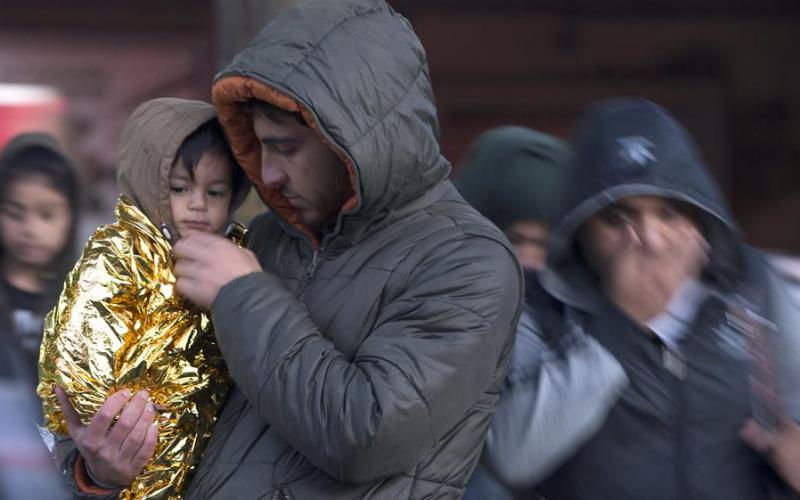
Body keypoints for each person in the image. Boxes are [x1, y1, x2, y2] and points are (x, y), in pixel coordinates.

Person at [62, 1, 522, 498]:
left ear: (353, 140)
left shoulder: (468, 262)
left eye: (286, 147)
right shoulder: (266, 240)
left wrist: (242, 295)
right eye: (259, 148)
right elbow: (181, 406)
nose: (270, 174)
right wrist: (102, 472)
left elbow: (365, 434)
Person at [513, 97, 800, 500]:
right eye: (617, 218)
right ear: (580, 226)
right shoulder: (542, 307)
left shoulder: (750, 285)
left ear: (699, 216)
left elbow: (794, 406)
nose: (649, 239)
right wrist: (619, 326)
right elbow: (514, 455)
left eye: (668, 214)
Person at [39, 98, 250, 499]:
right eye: (179, 188)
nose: (198, 205)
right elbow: (80, 365)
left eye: (216, 191)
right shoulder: (118, 256)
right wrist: (124, 433)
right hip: (133, 455)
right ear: (148, 181)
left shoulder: (238, 261)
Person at [456, 127, 628, 499]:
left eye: (545, 247)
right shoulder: (431, 302)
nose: (530, 262)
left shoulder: (570, 313)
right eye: (515, 239)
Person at [0, 132, 80, 388]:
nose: (30, 229)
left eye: (47, 215)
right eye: (15, 213)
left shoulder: (82, 298)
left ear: (71, 216)